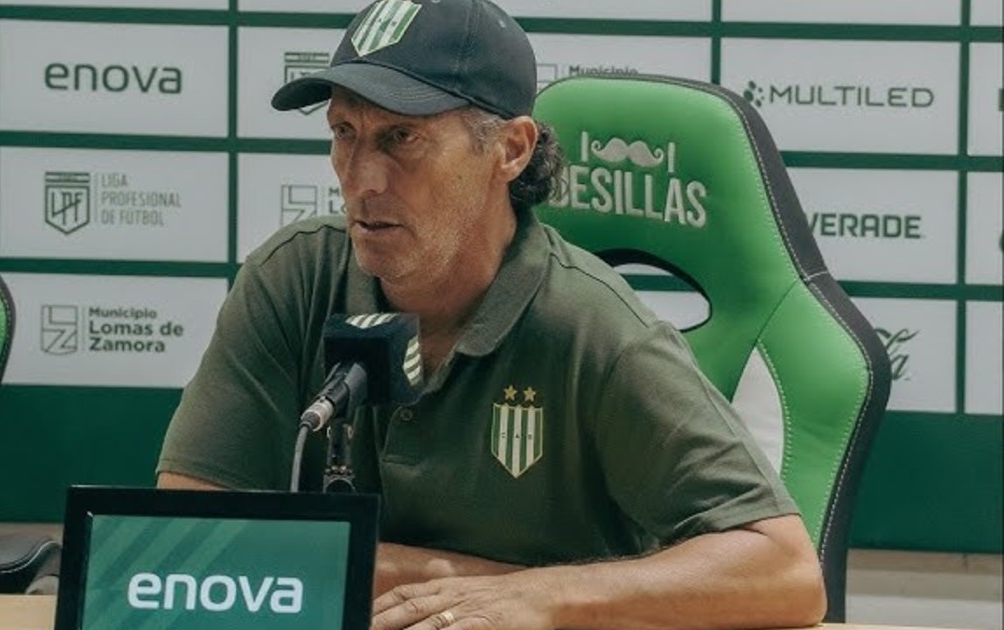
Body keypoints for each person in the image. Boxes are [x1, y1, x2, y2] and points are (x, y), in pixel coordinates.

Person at [158, 0, 826, 628]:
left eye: (401, 138)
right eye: (344, 132)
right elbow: (185, 541)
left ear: (510, 150)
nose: (361, 179)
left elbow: (786, 569)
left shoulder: (591, 325)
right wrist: (473, 581)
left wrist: (540, 597)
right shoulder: (294, 277)